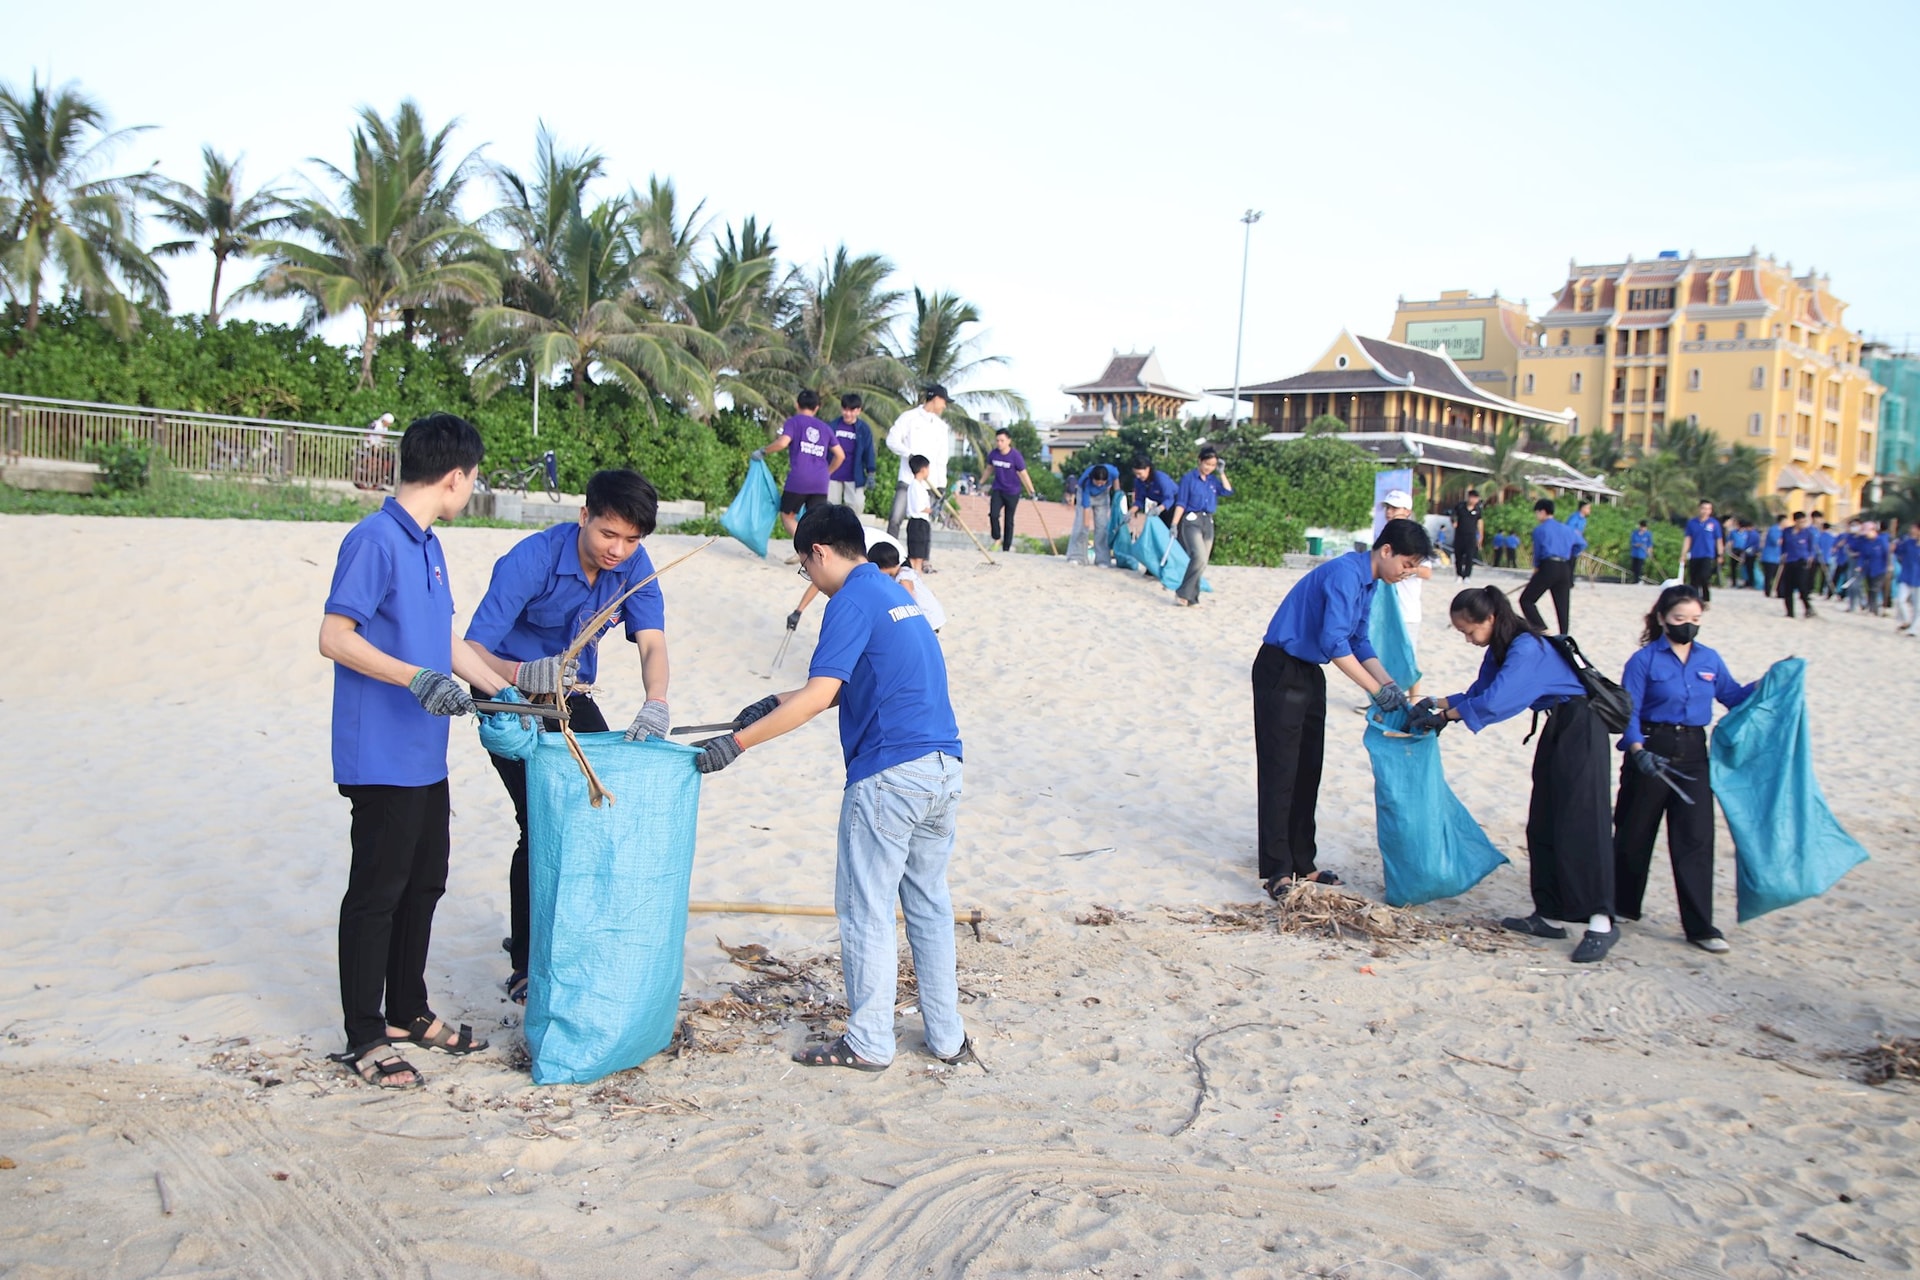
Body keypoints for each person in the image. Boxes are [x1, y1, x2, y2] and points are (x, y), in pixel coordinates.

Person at [691, 504, 972, 1073]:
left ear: (818, 552)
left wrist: (738, 743)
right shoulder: (895, 595)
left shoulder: (846, 601)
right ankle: (947, 1038)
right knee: (928, 907)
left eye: (804, 568)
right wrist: (775, 703)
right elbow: (853, 681)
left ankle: (869, 1042)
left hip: (890, 774)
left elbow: (822, 696)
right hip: (943, 769)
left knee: (866, 909)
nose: (809, 581)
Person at [318, 413, 505, 1089]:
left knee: (425, 882)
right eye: (473, 480)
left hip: (427, 754)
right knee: (377, 893)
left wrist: (505, 689)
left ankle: (406, 1011)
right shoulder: (374, 540)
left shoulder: (428, 545)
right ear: (455, 477)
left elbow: (442, 641)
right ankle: (364, 1036)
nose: (470, 489)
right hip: (381, 753)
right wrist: (414, 678)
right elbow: (335, 636)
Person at [463, 469, 672, 1004]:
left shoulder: (634, 566)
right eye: (608, 534)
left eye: (631, 539)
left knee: (599, 811)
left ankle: (576, 937)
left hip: (571, 696)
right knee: (538, 821)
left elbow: (651, 642)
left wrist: (656, 702)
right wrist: (519, 676)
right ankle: (526, 962)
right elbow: (469, 650)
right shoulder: (530, 560)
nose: (618, 550)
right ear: (584, 516)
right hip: (506, 696)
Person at [1405, 586, 1618, 963]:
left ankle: (1602, 922)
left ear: (1490, 619)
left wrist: (1445, 719)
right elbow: (1479, 691)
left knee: (1582, 822)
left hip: (1582, 726)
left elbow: (1500, 700)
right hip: (1557, 726)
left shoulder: (1526, 647)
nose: (1469, 639)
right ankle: (1549, 913)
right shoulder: (1501, 647)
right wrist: (1434, 703)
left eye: (1470, 631)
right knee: (1544, 821)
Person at [1252, 518, 1433, 894]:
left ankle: (1304, 863)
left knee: (1308, 769)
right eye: (1407, 563)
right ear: (1386, 551)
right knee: (1280, 771)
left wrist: (1389, 686)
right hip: (1281, 667)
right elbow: (1335, 643)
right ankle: (1277, 870)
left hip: (1309, 673)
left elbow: (1360, 640)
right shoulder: (1344, 574)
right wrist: (1375, 692)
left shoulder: (1371, 584)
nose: (1409, 572)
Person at [1612, 585, 1755, 954]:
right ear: (1662, 619)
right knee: (1634, 832)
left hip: (1693, 752)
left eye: (1695, 620)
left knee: (1695, 839)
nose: (1688, 626)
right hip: (1652, 749)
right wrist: (1637, 749)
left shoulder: (1709, 660)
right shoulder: (1644, 660)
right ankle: (1621, 905)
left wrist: (1771, 683)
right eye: (1680, 619)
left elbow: (1734, 697)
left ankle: (1700, 926)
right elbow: (1629, 709)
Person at [757, 390, 844, 549]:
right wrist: (828, 472)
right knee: (815, 520)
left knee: (787, 516)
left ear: (796, 404)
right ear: (817, 407)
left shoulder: (794, 422)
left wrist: (763, 451)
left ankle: (807, 546)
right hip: (820, 481)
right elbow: (840, 455)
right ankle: (814, 551)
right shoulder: (825, 428)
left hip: (799, 478)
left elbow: (783, 443)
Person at [1167, 446, 1233, 606]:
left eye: (1213, 465)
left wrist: (1221, 473)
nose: (1209, 468)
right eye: (1207, 464)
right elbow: (1181, 502)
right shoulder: (1189, 479)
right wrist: (1174, 524)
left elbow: (1228, 491)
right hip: (1191, 520)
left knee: (1203, 562)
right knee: (1199, 556)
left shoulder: (1212, 481)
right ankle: (1183, 592)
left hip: (1207, 521)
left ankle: (1192, 596)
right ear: (1200, 461)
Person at [886, 386, 952, 539]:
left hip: (929, 484)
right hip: (907, 479)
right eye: (943, 401)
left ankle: (923, 560)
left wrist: (942, 485)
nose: (944, 406)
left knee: (923, 524)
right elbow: (892, 440)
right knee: (895, 518)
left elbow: (942, 459)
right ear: (935, 399)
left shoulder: (941, 427)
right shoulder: (908, 418)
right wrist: (909, 455)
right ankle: (889, 553)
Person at [1519, 498, 1584, 634]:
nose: (1537, 516)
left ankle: (1542, 628)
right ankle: (1564, 635)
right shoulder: (1567, 529)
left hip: (1548, 566)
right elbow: (1581, 544)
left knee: (1526, 600)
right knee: (1563, 606)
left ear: (1542, 512)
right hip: (1565, 567)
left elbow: (1538, 551)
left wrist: (1536, 567)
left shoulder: (1540, 529)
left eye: (1537, 513)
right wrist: (1571, 554)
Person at [868, 539, 945, 631]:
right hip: (934, 615)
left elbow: (908, 600)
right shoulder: (904, 571)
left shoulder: (903, 577)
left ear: (881, 565)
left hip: (928, 618)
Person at [984, 427, 1037, 553]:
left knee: (1009, 520)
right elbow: (989, 469)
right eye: (997, 440)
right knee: (993, 514)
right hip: (998, 489)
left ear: (1008, 441)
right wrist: (981, 481)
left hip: (1012, 492)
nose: (999, 443)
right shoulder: (994, 454)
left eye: (1002, 440)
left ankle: (1006, 547)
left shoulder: (1015, 456)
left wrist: (1031, 490)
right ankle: (997, 538)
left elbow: (1024, 474)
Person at [826, 393, 877, 512]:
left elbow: (869, 451)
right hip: (833, 474)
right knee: (830, 508)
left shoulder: (864, 429)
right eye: (845, 410)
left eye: (852, 410)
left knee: (857, 505)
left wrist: (871, 472)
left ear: (858, 411)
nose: (848, 414)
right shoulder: (832, 426)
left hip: (854, 474)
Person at [1068, 463, 1118, 567]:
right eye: (1097, 482)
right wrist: (1086, 525)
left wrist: (1118, 496)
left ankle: (1102, 560)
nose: (1099, 485)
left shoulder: (1112, 472)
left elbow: (1116, 481)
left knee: (1102, 528)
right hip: (1085, 495)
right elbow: (1086, 506)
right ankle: (1077, 557)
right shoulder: (1086, 481)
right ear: (1092, 479)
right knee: (1080, 527)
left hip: (1103, 497)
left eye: (1102, 483)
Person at [1679, 500, 1722, 603]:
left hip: (1707, 554)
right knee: (1693, 579)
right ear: (1699, 509)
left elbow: (1719, 540)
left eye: (1708, 509)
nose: (1705, 511)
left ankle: (1706, 599)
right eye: (1703, 508)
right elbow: (1688, 539)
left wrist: (1720, 554)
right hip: (1695, 554)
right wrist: (1683, 554)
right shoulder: (1692, 523)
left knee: (1704, 576)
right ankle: (1695, 599)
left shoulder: (1714, 524)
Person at [1129, 454, 1179, 534]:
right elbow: (1139, 500)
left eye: (1139, 473)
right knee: (1161, 530)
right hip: (1161, 504)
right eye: (1135, 474)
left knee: (1172, 529)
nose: (1137, 476)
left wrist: (1158, 509)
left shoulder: (1160, 478)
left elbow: (1169, 498)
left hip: (1175, 504)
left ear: (1147, 469)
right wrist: (1130, 513)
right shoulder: (1138, 481)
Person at [1779, 510, 1816, 618]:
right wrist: (1782, 555)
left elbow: (1811, 548)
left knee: (1802, 586)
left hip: (1802, 561)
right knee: (1788, 588)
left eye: (1804, 522)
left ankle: (1808, 608)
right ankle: (1790, 612)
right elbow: (1783, 545)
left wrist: (1810, 558)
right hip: (1790, 560)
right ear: (1795, 521)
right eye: (1801, 522)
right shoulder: (1787, 531)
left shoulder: (1808, 533)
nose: (1803, 524)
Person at [904, 454, 934, 574]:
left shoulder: (919, 486)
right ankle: (915, 577)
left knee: (919, 555)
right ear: (923, 469)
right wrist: (932, 510)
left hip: (922, 523)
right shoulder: (915, 486)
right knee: (916, 555)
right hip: (918, 523)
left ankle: (916, 576)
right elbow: (919, 507)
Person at [1448, 489, 1483, 580]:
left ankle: (1467, 575)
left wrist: (1480, 536)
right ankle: (1459, 574)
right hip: (1460, 535)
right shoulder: (1460, 506)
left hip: (1471, 536)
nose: (1474, 500)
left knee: (1469, 556)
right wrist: (1454, 521)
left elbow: (1480, 522)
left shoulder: (1478, 509)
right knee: (1458, 555)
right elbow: (1453, 515)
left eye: (1476, 498)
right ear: (1469, 497)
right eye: (1473, 498)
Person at [1895, 522, 1920, 633]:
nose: (1911, 530)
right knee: (1900, 600)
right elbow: (1898, 551)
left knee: (1917, 606)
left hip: (1918, 579)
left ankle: (1913, 629)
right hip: (1906, 576)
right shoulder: (1909, 542)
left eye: (1914, 528)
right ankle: (1906, 621)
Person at [1760, 514, 1786, 597]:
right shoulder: (1774, 530)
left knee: (1780, 576)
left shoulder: (1783, 531)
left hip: (1777, 557)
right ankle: (1768, 592)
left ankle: (1780, 593)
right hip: (1770, 557)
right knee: (1769, 576)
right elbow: (1777, 542)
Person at [1629, 521, 1653, 585]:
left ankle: (1638, 581)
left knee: (1639, 568)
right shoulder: (1634, 533)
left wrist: (1650, 552)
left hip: (1642, 554)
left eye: (1644, 527)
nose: (1643, 529)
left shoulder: (1648, 534)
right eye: (1642, 527)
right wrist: (1636, 545)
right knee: (1634, 567)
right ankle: (1635, 580)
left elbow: (1649, 544)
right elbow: (1632, 542)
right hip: (1635, 553)